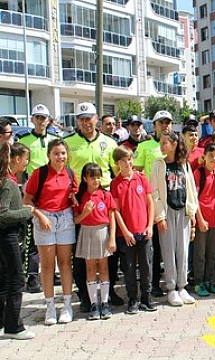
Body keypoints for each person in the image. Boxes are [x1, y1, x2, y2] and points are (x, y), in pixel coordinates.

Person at [65, 103, 120, 310]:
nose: (86, 122)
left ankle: (109, 291)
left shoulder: (109, 142)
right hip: (80, 199)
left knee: (109, 252)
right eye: (81, 119)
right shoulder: (68, 143)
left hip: (104, 198)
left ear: (96, 118)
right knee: (82, 253)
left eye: (89, 118)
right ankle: (85, 296)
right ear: (77, 121)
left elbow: (116, 172)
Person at [23, 139, 77, 325]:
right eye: (56, 153)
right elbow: (27, 199)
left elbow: (74, 193)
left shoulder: (70, 173)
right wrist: (40, 215)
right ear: (48, 155)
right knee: (47, 266)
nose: (60, 157)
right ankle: (50, 307)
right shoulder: (40, 174)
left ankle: (67, 305)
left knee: (64, 264)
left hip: (65, 220)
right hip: (44, 219)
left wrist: (74, 198)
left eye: (63, 153)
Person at [151, 131, 199, 306]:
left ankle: (182, 286)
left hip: (183, 211)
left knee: (183, 251)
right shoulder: (159, 164)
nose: (162, 146)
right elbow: (154, 192)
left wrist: (192, 212)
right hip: (167, 211)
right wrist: (160, 216)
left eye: (165, 142)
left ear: (174, 144)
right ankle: (171, 288)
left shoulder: (184, 165)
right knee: (169, 251)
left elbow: (191, 189)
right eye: (161, 142)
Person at [110, 146, 156, 314]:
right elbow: (115, 210)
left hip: (143, 230)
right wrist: (125, 231)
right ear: (117, 163)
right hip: (126, 234)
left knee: (146, 266)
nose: (128, 163)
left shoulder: (141, 179)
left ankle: (146, 297)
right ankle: (133, 299)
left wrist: (150, 225)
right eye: (123, 160)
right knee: (129, 268)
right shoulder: (115, 184)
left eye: (130, 159)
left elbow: (150, 203)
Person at [17, 104, 57, 293]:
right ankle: (32, 276)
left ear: (49, 120)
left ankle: (52, 272)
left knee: (54, 232)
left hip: (53, 190)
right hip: (33, 190)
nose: (41, 121)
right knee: (33, 235)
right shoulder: (24, 140)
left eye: (44, 118)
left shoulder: (56, 139)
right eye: (38, 117)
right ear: (32, 119)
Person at [0, 143, 36, 339]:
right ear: (15, 159)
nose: (27, 162)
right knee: (16, 278)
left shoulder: (9, 180)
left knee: (4, 277)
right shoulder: (8, 183)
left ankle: (3, 320)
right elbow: (3, 213)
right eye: (25, 158)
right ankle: (14, 326)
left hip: (7, 234)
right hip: (8, 234)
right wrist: (26, 211)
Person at [135, 110, 172, 298]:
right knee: (154, 246)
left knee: (171, 245)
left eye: (168, 122)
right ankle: (153, 283)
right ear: (154, 125)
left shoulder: (175, 145)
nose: (165, 125)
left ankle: (174, 282)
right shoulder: (145, 146)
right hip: (152, 201)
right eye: (161, 123)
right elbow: (137, 170)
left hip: (172, 200)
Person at [73, 163, 117, 320]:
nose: (96, 181)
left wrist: (112, 237)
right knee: (90, 269)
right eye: (92, 178)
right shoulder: (80, 197)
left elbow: (112, 217)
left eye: (98, 177)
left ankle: (104, 303)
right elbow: (76, 220)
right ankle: (94, 304)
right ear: (85, 178)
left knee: (104, 267)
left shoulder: (105, 195)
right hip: (86, 232)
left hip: (102, 232)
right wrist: (85, 212)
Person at [191, 143, 215, 297]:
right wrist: (200, 219)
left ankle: (210, 281)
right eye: (211, 156)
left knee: (213, 253)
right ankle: (199, 283)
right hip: (202, 220)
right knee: (200, 254)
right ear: (204, 157)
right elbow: (194, 198)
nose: (214, 159)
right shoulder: (199, 173)